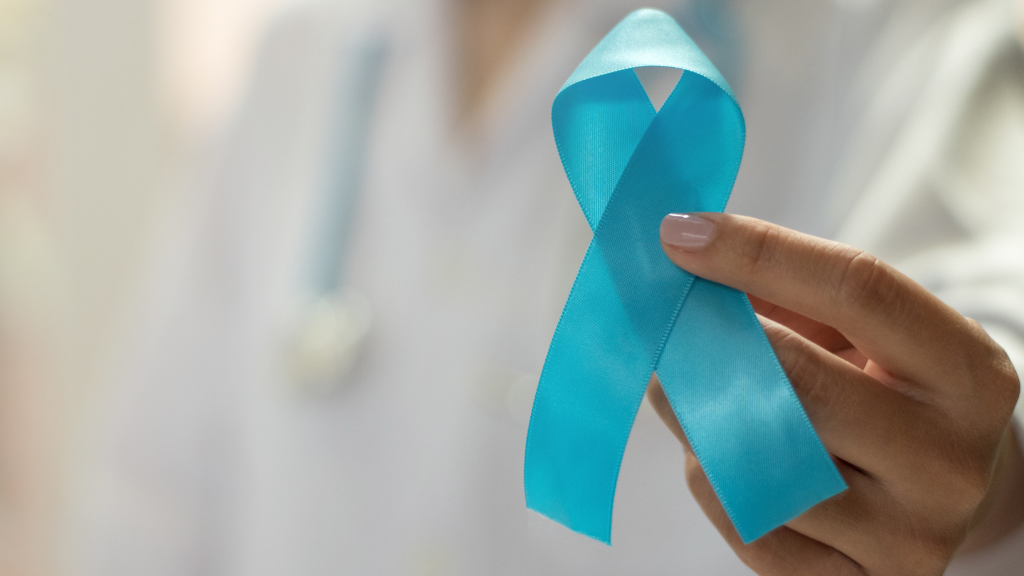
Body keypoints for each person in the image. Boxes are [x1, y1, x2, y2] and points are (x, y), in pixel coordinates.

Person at [76, 0, 1024, 574]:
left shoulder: (897, 33)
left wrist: (980, 484)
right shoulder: (306, 60)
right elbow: (151, 516)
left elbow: (987, 348)